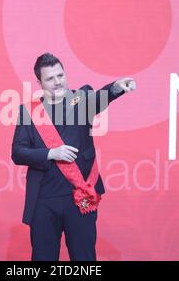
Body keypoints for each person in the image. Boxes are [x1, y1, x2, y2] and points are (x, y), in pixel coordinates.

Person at [11, 53, 136, 261]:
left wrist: (116, 87)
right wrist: (51, 153)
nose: (57, 82)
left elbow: (100, 98)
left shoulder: (81, 99)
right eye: (50, 78)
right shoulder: (28, 112)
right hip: (44, 199)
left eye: (60, 75)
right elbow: (17, 152)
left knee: (84, 258)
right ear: (39, 82)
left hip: (80, 196)